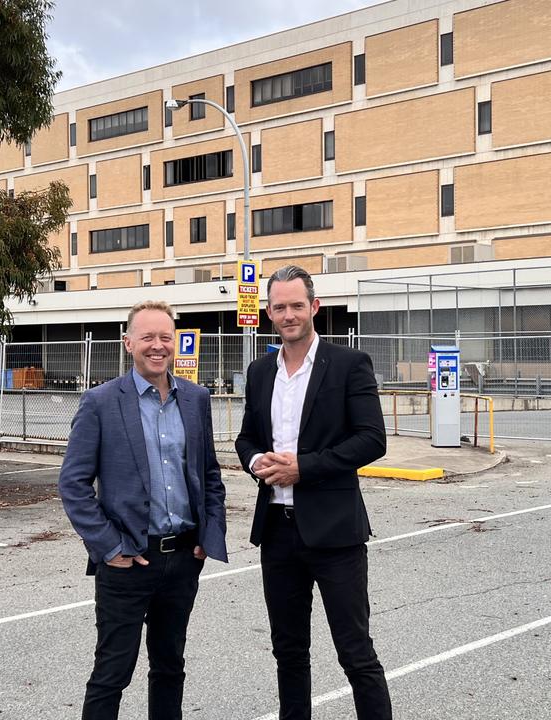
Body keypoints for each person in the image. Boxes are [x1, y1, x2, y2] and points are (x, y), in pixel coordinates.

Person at [236, 265, 392, 720]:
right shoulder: (260, 371)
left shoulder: (348, 364)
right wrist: (256, 463)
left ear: (314, 307)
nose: (288, 315)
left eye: (296, 306)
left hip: (335, 535)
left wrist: (305, 468)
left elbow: (371, 439)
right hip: (278, 534)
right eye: (279, 307)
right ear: (269, 311)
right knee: (288, 651)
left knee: (355, 652)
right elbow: (246, 438)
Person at [59, 300, 227, 720]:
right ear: (128, 342)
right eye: (148, 337)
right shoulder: (100, 402)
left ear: (176, 342)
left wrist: (209, 536)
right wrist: (109, 547)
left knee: (170, 667)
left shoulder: (196, 399)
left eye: (165, 337)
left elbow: (209, 475)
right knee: (112, 672)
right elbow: (73, 484)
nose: (157, 346)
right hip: (127, 561)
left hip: (184, 559)